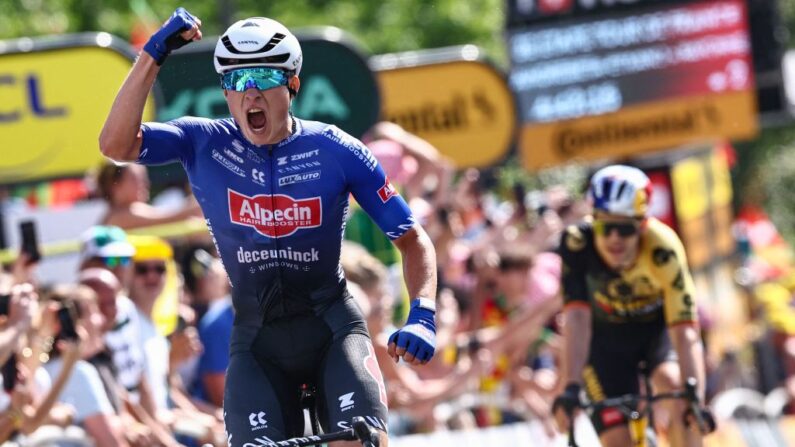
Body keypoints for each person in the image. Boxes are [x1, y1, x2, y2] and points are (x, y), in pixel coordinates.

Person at [99, 8, 438, 447]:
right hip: (258, 343)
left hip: (332, 330)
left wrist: (423, 315)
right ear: (224, 91)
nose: (250, 95)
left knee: (361, 442)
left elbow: (412, 240)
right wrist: (152, 54)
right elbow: (115, 145)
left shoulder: (336, 149)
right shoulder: (203, 142)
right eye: (237, 82)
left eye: (262, 78)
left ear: (293, 84)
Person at [552, 165, 710, 447]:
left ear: (642, 225)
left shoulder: (663, 248)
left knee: (676, 389)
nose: (614, 238)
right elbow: (575, 319)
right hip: (603, 345)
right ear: (593, 221)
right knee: (617, 441)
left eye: (625, 228)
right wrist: (570, 386)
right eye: (605, 227)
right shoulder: (576, 244)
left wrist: (695, 396)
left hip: (654, 336)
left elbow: (685, 332)